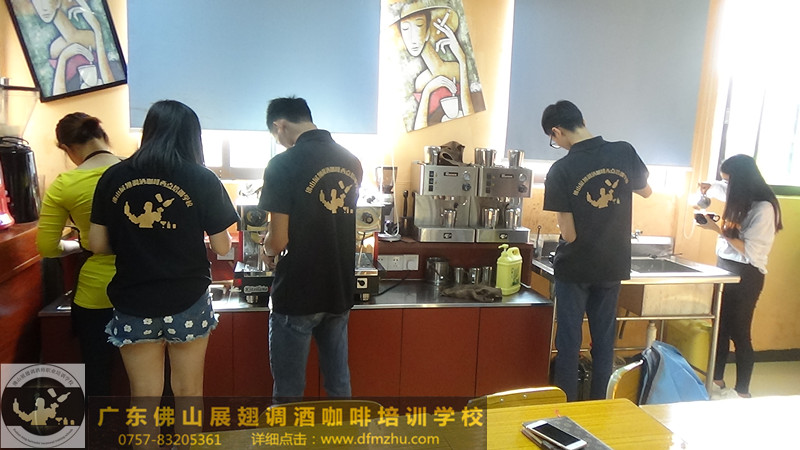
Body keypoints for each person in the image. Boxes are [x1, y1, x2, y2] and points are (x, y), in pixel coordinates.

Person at [89, 100, 238, 408]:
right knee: (189, 392)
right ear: (191, 137)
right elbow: (223, 247)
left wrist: (136, 241)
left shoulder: (113, 176)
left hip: (133, 299)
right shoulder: (202, 178)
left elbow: (98, 244)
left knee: (143, 396)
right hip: (187, 298)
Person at [541, 100, 652, 401]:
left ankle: (566, 409)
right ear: (582, 121)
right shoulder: (623, 151)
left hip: (576, 268)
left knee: (569, 343)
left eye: (553, 140)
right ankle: (601, 406)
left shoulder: (561, 170)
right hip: (612, 265)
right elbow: (646, 190)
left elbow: (569, 234)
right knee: (604, 343)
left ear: (556, 132)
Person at [258, 97, 363, 401]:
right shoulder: (351, 161)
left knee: (289, 392)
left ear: (279, 125)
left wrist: (266, 249)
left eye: (275, 135)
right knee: (339, 384)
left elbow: (278, 240)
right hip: (338, 289)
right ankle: (344, 431)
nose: (278, 141)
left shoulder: (282, 164)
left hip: (298, 292)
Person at [36, 112, 120, 397]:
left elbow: (47, 247)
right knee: (148, 378)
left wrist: (79, 245)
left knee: (97, 375)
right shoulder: (136, 173)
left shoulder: (65, 184)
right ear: (103, 136)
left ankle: (98, 425)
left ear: (67, 148)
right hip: (141, 289)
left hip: (95, 295)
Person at [695, 154, 783, 398]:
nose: (727, 186)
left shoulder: (764, 208)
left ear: (742, 181)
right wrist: (708, 187)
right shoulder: (739, 195)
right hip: (725, 266)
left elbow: (750, 251)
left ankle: (743, 390)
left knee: (739, 331)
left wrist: (717, 229)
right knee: (720, 328)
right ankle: (717, 380)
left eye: (729, 181)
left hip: (747, 273)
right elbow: (721, 189)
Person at [394, 2, 475, 130]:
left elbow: (471, 117)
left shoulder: (457, 69)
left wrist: (462, 60)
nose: (412, 38)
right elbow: (419, 130)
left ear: (427, 32)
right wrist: (428, 90)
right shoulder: (421, 82)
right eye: (405, 29)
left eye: (419, 26)